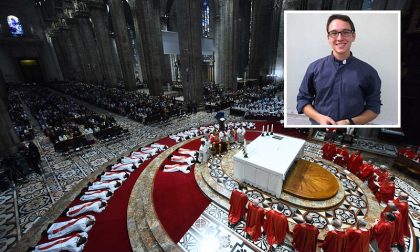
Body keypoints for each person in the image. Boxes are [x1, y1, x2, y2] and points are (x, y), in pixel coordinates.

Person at [296, 14, 381, 125]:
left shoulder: (369, 72)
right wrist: (319, 118)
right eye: (334, 33)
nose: (340, 38)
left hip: (353, 131)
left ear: (353, 36)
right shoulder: (314, 68)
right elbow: (303, 100)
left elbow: (374, 108)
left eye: (345, 32)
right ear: (328, 38)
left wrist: (349, 122)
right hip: (317, 128)